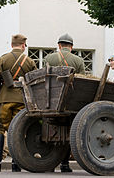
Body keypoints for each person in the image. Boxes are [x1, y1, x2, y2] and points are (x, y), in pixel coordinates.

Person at [0, 34, 37, 172]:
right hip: (21, 100)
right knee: (17, 131)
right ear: (23, 45)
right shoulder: (30, 61)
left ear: (11, 45)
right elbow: (34, 83)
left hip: (4, 100)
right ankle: (16, 163)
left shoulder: (4, 59)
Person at [45, 33, 86, 172]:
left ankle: (50, 163)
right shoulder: (78, 60)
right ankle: (64, 164)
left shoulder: (49, 58)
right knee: (69, 131)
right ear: (71, 47)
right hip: (70, 101)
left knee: (49, 130)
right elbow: (82, 81)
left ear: (59, 45)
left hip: (51, 101)